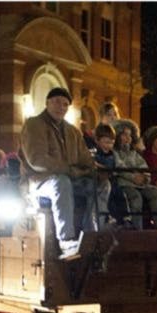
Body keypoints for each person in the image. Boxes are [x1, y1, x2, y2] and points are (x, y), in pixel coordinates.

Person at [20, 87, 98, 259]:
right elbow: (37, 160)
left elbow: (85, 158)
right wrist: (71, 170)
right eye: (56, 102)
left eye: (65, 104)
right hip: (39, 181)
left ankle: (91, 234)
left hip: (70, 179)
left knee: (99, 185)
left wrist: (94, 169)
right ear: (47, 103)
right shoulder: (34, 125)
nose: (60, 107)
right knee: (60, 182)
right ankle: (66, 239)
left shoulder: (72, 131)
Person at [113, 123, 157, 229]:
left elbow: (144, 166)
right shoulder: (114, 153)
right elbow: (120, 168)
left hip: (140, 184)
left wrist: (145, 178)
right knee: (136, 197)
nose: (128, 138)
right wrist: (133, 177)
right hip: (125, 184)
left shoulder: (134, 153)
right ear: (117, 136)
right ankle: (137, 230)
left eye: (130, 135)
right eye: (124, 135)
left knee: (154, 193)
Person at [91, 123, 117, 228]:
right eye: (106, 142)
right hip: (100, 180)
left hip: (111, 180)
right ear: (97, 141)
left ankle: (120, 218)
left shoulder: (113, 155)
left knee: (117, 193)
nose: (109, 146)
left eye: (111, 143)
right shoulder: (95, 154)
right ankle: (104, 219)